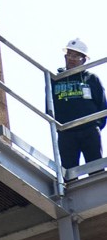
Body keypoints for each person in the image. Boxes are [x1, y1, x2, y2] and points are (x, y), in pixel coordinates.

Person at [50, 40, 106, 171]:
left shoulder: (92, 79)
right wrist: (59, 127)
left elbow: (103, 106)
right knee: (68, 173)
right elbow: (49, 106)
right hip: (66, 132)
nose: (71, 59)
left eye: (76, 56)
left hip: (90, 130)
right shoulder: (55, 79)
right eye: (69, 55)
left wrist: (95, 125)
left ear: (84, 60)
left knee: (96, 170)